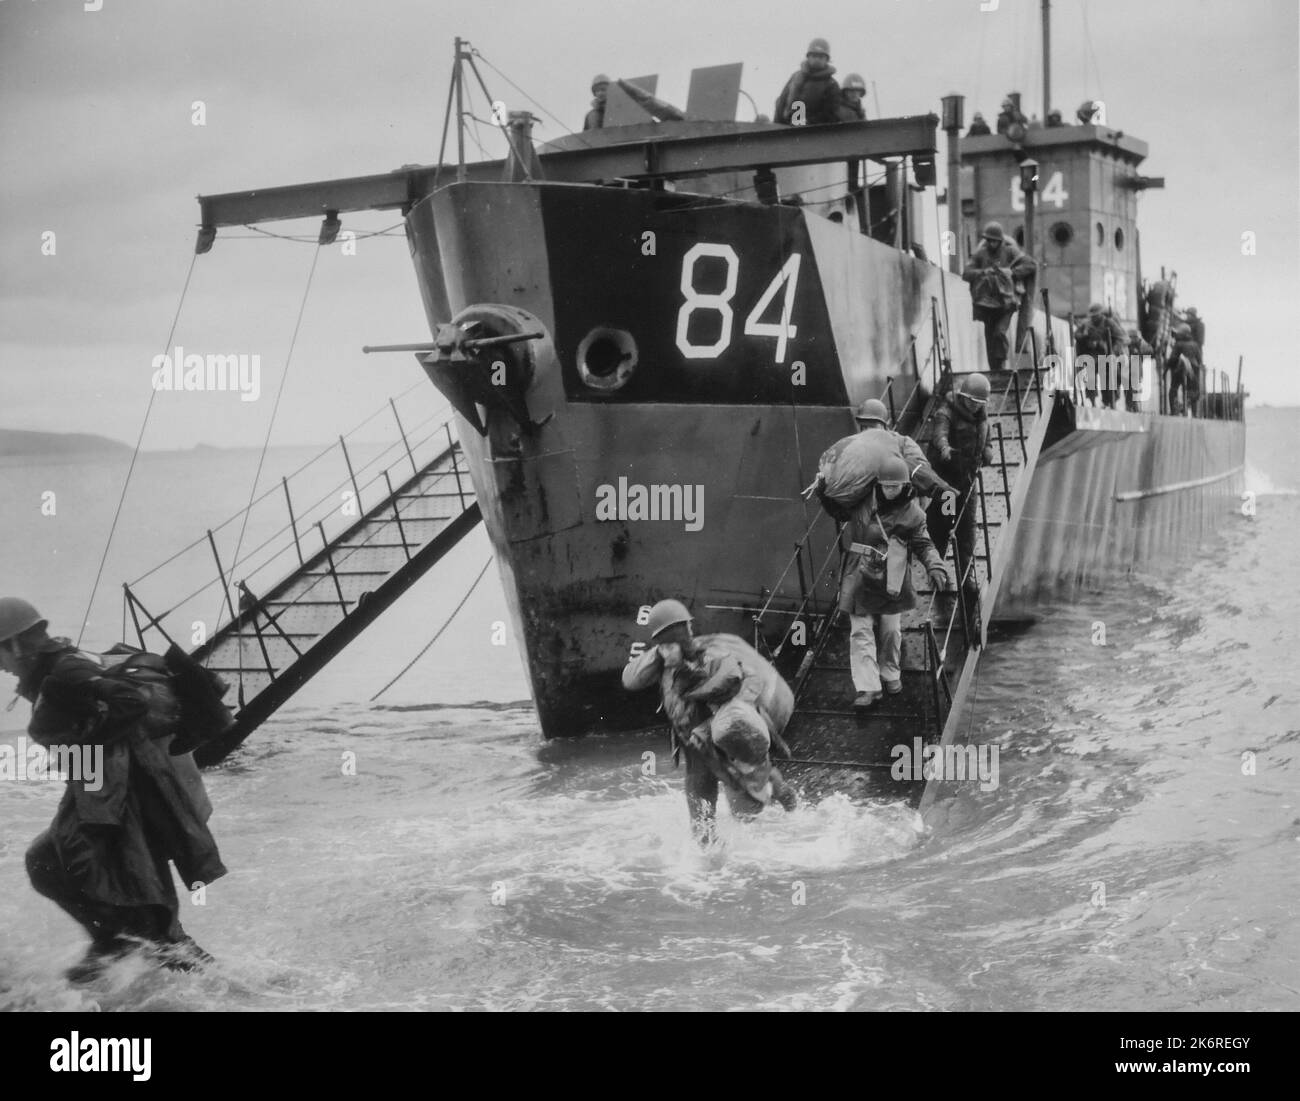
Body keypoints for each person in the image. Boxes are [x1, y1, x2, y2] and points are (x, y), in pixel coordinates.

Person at [0, 598, 226, 983]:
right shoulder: (52, 672)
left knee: (154, 919)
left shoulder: (67, 669)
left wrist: (89, 746)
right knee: (46, 862)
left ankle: (230, 991)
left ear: (17, 645)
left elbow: (130, 702)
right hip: (104, 794)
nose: (0, 666)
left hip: (129, 800)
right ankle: (112, 941)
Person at [622, 600, 797, 844]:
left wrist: (732, 710)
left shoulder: (712, 657)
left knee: (746, 813)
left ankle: (777, 786)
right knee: (701, 822)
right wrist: (659, 649)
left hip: (724, 747)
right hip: (694, 752)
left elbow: (751, 681)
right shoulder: (662, 663)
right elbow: (630, 680)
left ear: (683, 642)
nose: (665, 652)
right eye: (661, 646)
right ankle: (709, 870)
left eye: (671, 646)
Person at [839, 456, 950, 708]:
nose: (889, 490)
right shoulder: (862, 502)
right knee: (861, 631)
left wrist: (935, 566)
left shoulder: (912, 513)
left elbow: (923, 543)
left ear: (904, 485)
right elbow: (837, 508)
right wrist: (825, 489)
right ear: (878, 484)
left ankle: (890, 671)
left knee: (890, 630)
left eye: (895, 486)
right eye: (885, 486)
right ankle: (868, 687)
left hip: (892, 576)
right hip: (860, 572)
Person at [925, 373, 993, 644]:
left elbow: (985, 438)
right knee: (940, 529)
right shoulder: (946, 413)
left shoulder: (982, 415)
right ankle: (937, 572)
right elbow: (939, 436)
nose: (977, 406)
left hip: (967, 484)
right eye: (973, 401)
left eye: (980, 402)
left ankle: (967, 579)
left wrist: (987, 451)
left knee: (967, 533)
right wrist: (944, 449)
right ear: (963, 397)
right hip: (947, 484)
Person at [962, 222, 1037, 371]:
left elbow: (1031, 265)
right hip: (986, 305)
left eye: (994, 240)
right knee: (989, 338)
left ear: (1000, 241)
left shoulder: (1010, 252)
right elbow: (966, 273)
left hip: (1006, 304)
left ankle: (1001, 365)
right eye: (988, 240)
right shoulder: (980, 254)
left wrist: (1011, 273)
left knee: (999, 332)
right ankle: (994, 370)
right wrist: (984, 273)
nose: (991, 243)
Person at [853, 398, 954, 500]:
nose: (867, 431)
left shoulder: (903, 443)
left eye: (872, 426)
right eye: (863, 427)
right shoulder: (855, 448)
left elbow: (922, 471)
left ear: (884, 425)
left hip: (904, 498)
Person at [774, 38, 842, 126]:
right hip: (787, 129)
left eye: (821, 57)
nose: (817, 59)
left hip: (812, 134)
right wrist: (776, 127)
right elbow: (782, 102)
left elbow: (830, 114)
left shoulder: (831, 85)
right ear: (808, 57)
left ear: (827, 59)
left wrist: (808, 123)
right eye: (814, 56)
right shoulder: (795, 77)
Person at [1074, 303, 1127, 407]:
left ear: (1100, 314)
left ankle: (1109, 402)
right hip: (1092, 355)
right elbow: (1077, 335)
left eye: (1095, 316)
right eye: (1092, 316)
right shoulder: (1087, 324)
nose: (1093, 318)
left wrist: (1112, 350)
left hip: (1106, 355)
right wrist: (1084, 336)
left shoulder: (1109, 323)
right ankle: (1092, 401)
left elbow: (1121, 338)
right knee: (1089, 376)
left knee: (1109, 380)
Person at [1166, 323, 1202, 416]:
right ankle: (1194, 413)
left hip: (1179, 370)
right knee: (1193, 392)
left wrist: (1168, 365)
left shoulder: (1179, 344)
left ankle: (1174, 411)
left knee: (1173, 389)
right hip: (1192, 371)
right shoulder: (1195, 345)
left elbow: (1173, 359)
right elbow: (1199, 360)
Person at [1126, 328, 1154, 412]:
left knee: (1134, 389)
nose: (1131, 339)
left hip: (1136, 370)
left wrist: (1140, 352)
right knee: (1128, 390)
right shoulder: (1128, 345)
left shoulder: (1141, 343)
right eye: (1130, 337)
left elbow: (1150, 350)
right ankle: (1130, 407)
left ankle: (1135, 408)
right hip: (1127, 370)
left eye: (1132, 337)